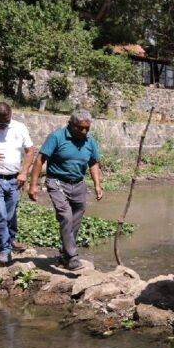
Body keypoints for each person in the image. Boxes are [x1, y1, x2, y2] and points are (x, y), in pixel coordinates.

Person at [28, 111, 102, 270]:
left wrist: (97, 185)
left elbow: (93, 163)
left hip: (79, 184)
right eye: (81, 128)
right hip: (57, 182)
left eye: (87, 129)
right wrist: (33, 185)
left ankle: (64, 255)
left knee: (76, 220)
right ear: (71, 124)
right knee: (66, 217)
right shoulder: (56, 137)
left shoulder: (89, 141)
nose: (84, 132)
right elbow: (40, 160)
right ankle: (72, 257)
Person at [0, 103, 35, 265]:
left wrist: (23, 172)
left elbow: (30, 151)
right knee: (0, 214)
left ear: (10, 115)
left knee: (10, 214)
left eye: (5, 121)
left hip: (14, 179)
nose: (2, 125)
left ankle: (10, 239)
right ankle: (5, 250)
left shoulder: (19, 128)